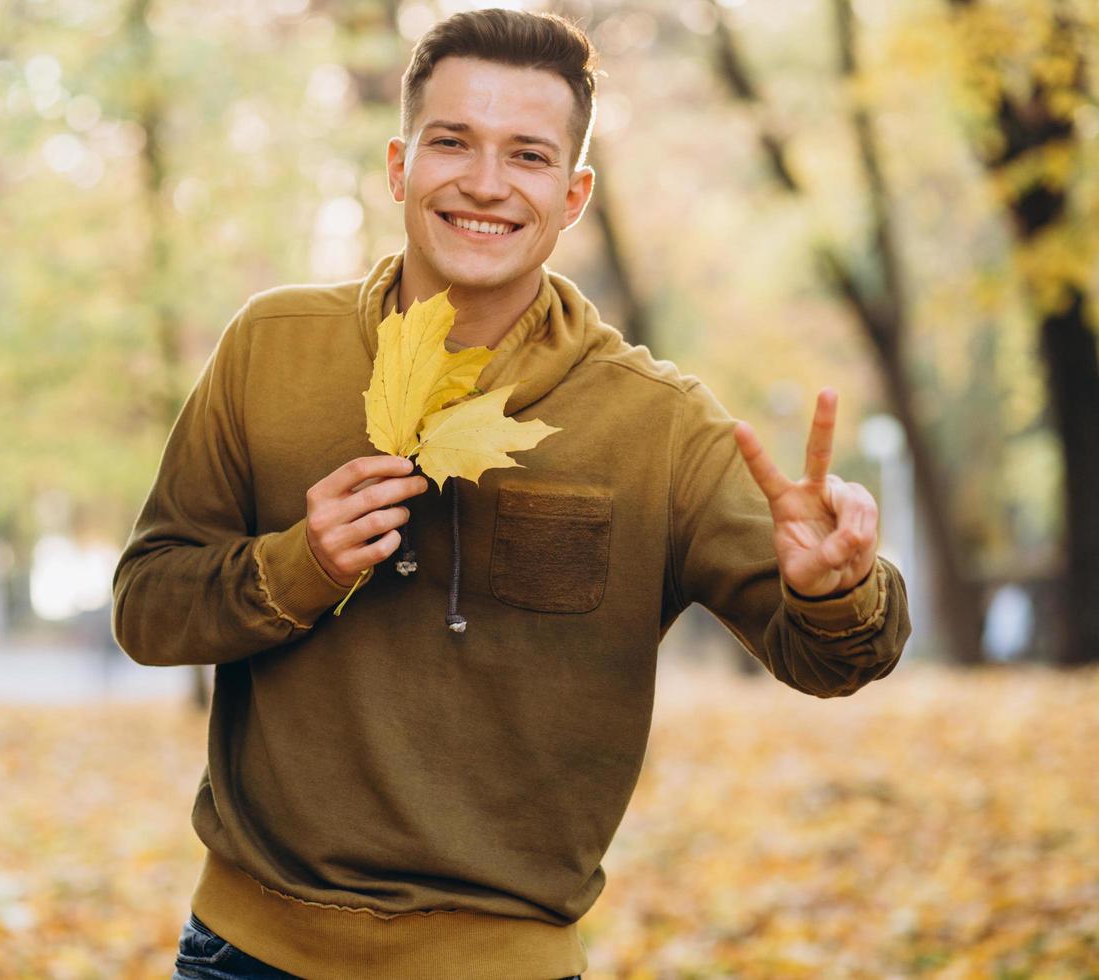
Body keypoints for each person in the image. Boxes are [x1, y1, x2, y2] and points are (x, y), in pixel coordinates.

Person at [111, 9, 911, 980]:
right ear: (400, 165)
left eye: (527, 155)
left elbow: (834, 659)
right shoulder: (270, 346)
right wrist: (299, 564)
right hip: (250, 947)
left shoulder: (657, 423)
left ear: (573, 195)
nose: (485, 183)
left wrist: (834, 587)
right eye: (453, 142)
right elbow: (146, 607)